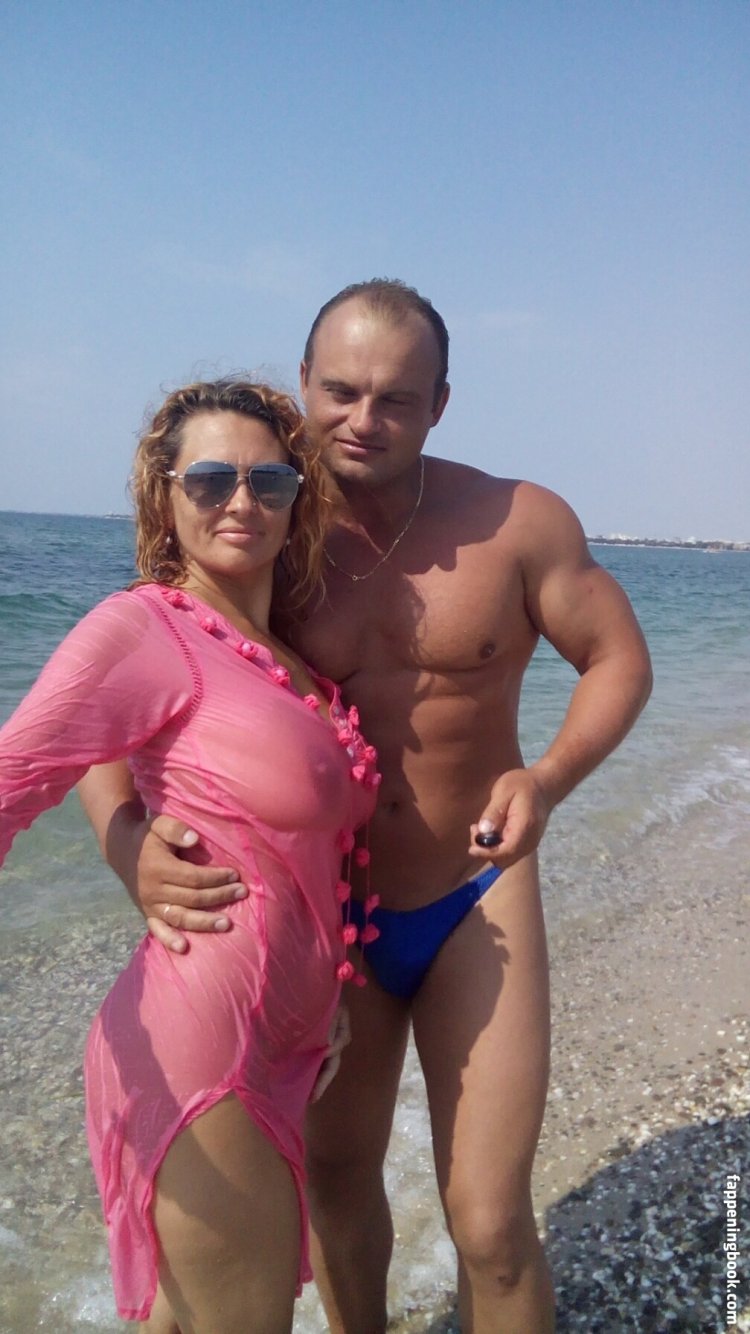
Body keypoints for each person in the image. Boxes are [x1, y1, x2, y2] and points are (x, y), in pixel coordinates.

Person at [79, 281, 653, 1334]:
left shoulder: (517, 522)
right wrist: (128, 845)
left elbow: (618, 657)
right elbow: (116, 694)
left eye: (396, 398)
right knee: (338, 1188)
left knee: (489, 1220)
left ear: (441, 404)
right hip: (324, 921)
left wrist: (546, 779)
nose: (363, 418)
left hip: (474, 893)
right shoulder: (262, 525)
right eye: (340, 390)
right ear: (303, 382)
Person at [0, 377, 380, 1334]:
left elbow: (307, 858)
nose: (240, 501)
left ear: (297, 501)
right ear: (164, 498)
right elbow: (19, 775)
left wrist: (327, 997)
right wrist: (125, 840)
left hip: (287, 1040)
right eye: (209, 480)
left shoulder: (278, 658)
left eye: (268, 481)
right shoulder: (145, 626)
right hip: (206, 1048)